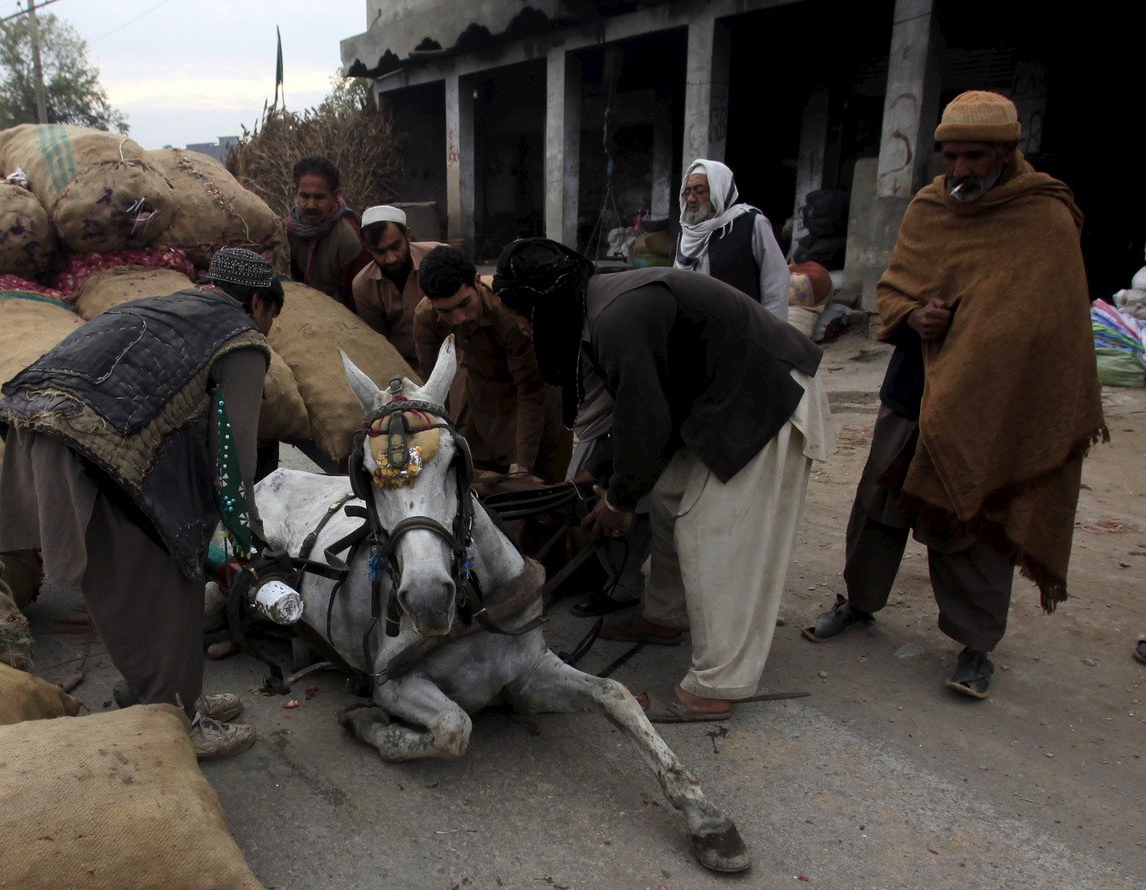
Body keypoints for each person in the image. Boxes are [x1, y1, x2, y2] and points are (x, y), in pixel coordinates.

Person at [803, 91, 1105, 700]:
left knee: (971, 519)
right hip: (912, 392)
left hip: (990, 406)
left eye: (974, 156)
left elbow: (1053, 323)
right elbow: (893, 289)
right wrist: (914, 319)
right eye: (951, 156)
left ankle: (975, 646)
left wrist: (984, 340)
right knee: (876, 508)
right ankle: (859, 603)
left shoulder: (1044, 214)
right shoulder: (928, 208)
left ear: (1006, 152)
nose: (960, 169)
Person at [495, 238, 832, 721]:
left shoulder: (616, 317)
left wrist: (619, 499)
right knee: (672, 500)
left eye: (523, 314)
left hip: (767, 393)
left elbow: (646, 418)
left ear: (543, 302)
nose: (524, 326)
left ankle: (717, 685)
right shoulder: (597, 309)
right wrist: (607, 474)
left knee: (718, 537)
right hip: (720, 396)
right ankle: (665, 617)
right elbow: (639, 408)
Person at [0, 249, 285, 758]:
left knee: (124, 584)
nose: (269, 330)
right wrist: (246, 540)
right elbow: (233, 457)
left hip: (33, 428)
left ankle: (159, 695)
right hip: (89, 456)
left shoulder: (158, 308)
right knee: (168, 578)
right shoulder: (241, 338)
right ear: (258, 303)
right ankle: (177, 721)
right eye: (271, 318)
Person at [411, 245, 570, 482]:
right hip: (480, 394)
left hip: (536, 395)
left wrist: (524, 470)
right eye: (445, 311)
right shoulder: (426, 317)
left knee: (542, 490)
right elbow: (434, 388)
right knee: (470, 481)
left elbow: (530, 392)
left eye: (464, 303)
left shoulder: (510, 315)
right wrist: (437, 438)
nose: (459, 319)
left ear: (477, 282)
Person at [673, 159, 789, 322]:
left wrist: (773, 332)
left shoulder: (751, 224)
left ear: (718, 191)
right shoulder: (687, 233)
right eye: (687, 192)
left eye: (699, 191)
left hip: (740, 332)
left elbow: (775, 281)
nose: (691, 199)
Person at [351, 205, 442, 371]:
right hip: (403, 369)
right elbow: (378, 346)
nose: (390, 259)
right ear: (369, 249)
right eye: (380, 252)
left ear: (407, 235)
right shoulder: (363, 286)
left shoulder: (438, 257)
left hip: (448, 361)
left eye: (395, 247)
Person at [284, 156, 370, 309]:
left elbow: (357, 300)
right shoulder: (293, 229)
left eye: (319, 197)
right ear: (295, 192)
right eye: (304, 196)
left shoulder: (348, 238)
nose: (311, 205)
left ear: (335, 196)